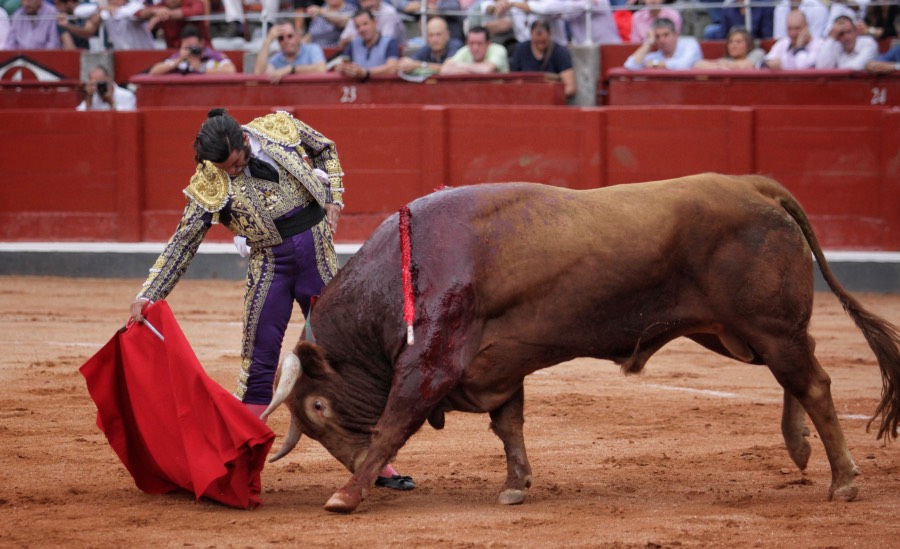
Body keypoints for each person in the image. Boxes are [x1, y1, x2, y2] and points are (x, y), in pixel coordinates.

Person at [128, 108, 416, 492]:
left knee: (343, 359)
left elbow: (326, 149)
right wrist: (150, 293)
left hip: (317, 253)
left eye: (234, 164)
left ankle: (376, 463)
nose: (230, 173)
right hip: (270, 266)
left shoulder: (278, 128)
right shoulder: (210, 180)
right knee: (259, 364)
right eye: (223, 168)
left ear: (244, 141)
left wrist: (333, 199)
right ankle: (241, 469)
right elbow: (184, 241)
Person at [510, 19, 575, 96]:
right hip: (526, 96)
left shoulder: (560, 52)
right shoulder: (520, 50)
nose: (540, 45)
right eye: (537, 42)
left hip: (551, 98)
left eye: (543, 42)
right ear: (531, 35)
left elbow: (570, 87)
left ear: (549, 34)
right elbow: (513, 80)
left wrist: (548, 95)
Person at [335, 9, 401, 80]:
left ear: (375, 23)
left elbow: (392, 68)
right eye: (358, 26)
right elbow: (341, 66)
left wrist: (366, 73)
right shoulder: (353, 44)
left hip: (384, 88)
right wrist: (342, 68)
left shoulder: (390, 42)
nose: (362, 29)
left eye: (365, 24)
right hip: (359, 89)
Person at [254, 19, 326, 83]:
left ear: (298, 36)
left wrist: (291, 69)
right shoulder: (276, 59)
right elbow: (258, 73)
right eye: (281, 38)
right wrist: (268, 40)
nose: (286, 41)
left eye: (290, 36)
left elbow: (321, 69)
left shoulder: (312, 49)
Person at [148, 24, 237, 76]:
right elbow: (154, 72)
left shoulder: (214, 56)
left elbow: (231, 70)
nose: (190, 51)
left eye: (193, 47)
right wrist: (178, 60)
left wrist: (201, 69)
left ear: (201, 42)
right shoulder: (178, 58)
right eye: (187, 48)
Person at [624, 17, 701, 70]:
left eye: (666, 35)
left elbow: (684, 64)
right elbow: (630, 65)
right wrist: (649, 42)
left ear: (676, 35)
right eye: (657, 36)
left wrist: (657, 64)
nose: (662, 40)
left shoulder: (689, 43)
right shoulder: (656, 56)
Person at [397, 16, 463, 76]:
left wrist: (419, 65)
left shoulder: (455, 46)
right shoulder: (426, 48)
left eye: (438, 34)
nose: (434, 39)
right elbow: (411, 62)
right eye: (431, 35)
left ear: (447, 35)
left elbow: (447, 68)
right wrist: (405, 64)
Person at [136, 0, 209, 49]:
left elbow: (197, 10)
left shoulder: (192, 2)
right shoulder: (162, 6)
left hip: (200, 52)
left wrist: (164, 15)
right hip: (173, 54)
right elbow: (138, 13)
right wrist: (154, 11)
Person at [440, 25, 510, 74]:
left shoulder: (498, 50)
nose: (475, 48)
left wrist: (460, 66)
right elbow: (444, 69)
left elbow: (486, 70)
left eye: (479, 43)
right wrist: (475, 70)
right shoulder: (465, 50)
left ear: (488, 44)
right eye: (471, 43)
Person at [338, 0, 406, 49]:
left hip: (394, 54)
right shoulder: (359, 15)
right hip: (365, 54)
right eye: (364, 1)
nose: (368, 4)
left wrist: (356, 38)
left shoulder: (389, 13)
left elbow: (385, 44)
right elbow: (342, 42)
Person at [694, 27, 764, 70]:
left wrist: (723, 65)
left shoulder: (758, 53)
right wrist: (718, 67)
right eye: (730, 42)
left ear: (749, 44)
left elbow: (747, 66)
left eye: (738, 42)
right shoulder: (726, 60)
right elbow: (698, 65)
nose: (733, 45)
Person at [395, 0, 465, 43]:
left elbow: (454, 6)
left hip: (451, 40)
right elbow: (401, 5)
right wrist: (425, 6)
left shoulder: (449, 2)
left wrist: (435, 9)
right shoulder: (422, 3)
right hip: (425, 42)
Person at [710, 0, 774, 41]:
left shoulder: (763, 6)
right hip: (733, 48)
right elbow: (722, 36)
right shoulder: (728, 8)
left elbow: (767, 36)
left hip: (755, 46)